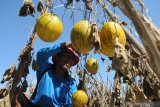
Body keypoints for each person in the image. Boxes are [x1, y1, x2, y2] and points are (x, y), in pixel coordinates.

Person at [30, 42, 80, 107]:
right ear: (57, 57)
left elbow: (69, 104)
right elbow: (41, 54)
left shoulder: (71, 82)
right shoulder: (45, 69)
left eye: (72, 59)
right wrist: (65, 45)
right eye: (66, 56)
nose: (69, 60)